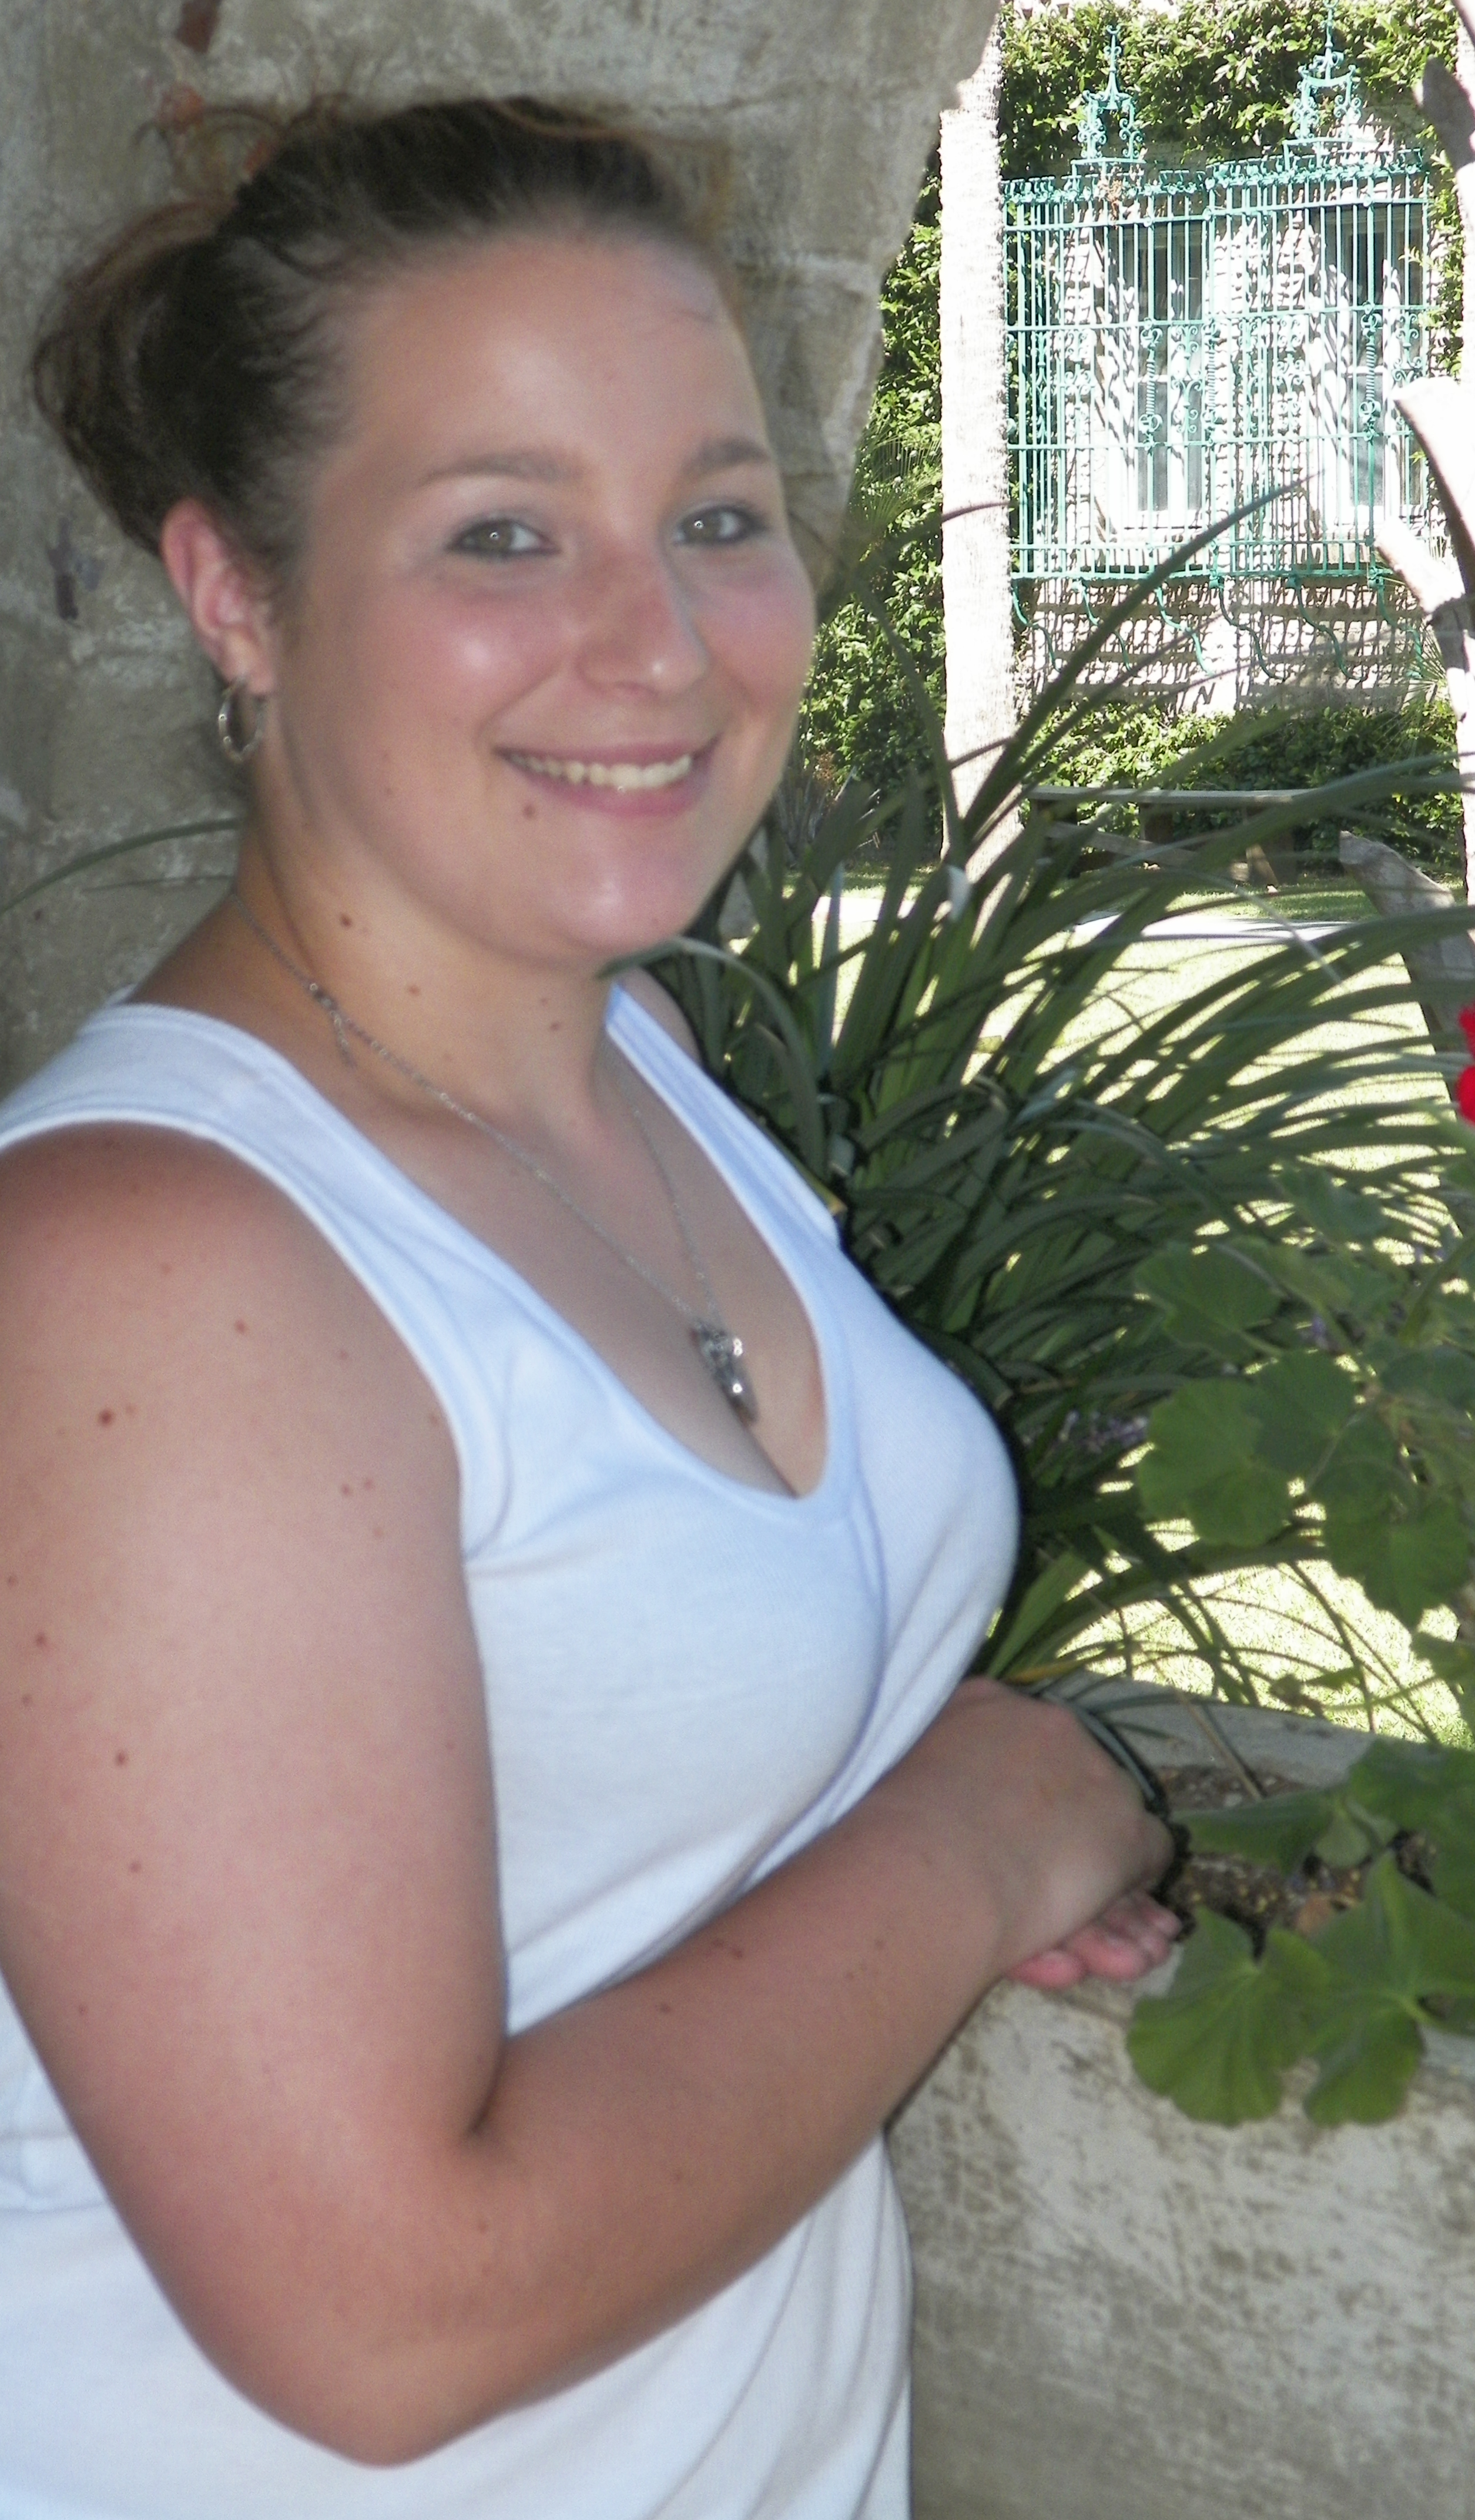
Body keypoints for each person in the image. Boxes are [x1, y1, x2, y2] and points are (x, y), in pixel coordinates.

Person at [0, 96, 1179, 2518]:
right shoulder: (151, 1270)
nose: (657, 644)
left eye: (717, 519)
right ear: (236, 594)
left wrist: (870, 1868)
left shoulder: (637, 1068)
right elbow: (381, 2316)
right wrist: (968, 1843)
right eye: (503, 534)